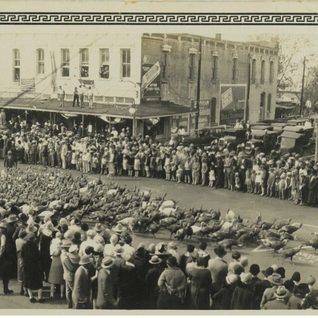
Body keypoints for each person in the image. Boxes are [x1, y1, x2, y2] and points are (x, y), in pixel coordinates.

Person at [21, 233, 44, 303]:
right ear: (34, 238)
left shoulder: (24, 245)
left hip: (27, 265)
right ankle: (40, 297)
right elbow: (38, 256)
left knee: (28, 281)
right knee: (38, 281)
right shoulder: (35, 246)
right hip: (35, 266)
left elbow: (22, 255)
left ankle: (31, 297)